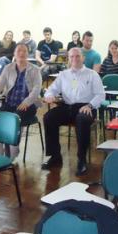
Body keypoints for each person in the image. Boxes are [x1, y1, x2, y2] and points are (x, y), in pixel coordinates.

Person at [43, 47, 105, 176]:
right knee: (49, 117)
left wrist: (90, 105)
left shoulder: (92, 74)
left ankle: (81, 159)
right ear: (68, 59)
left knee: (82, 120)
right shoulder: (63, 74)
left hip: (86, 107)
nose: (74, 59)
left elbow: (100, 95)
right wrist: (49, 95)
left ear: (83, 58)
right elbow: (51, 89)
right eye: (71, 57)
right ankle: (55, 156)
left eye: (77, 56)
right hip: (68, 107)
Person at [0, 43, 42, 159]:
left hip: (27, 105)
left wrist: (27, 102)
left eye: (24, 51)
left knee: (14, 119)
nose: (21, 53)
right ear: (14, 53)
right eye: (19, 51)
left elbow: (36, 89)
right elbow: (0, 84)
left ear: (27, 53)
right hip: (10, 103)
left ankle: (13, 152)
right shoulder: (8, 68)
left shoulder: (34, 70)